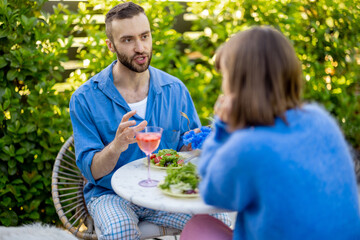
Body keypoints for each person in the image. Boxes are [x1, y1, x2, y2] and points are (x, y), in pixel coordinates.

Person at [69, 2, 230, 239]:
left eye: (145, 36)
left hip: (164, 193)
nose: (140, 47)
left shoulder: (175, 89)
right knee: (120, 230)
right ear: (110, 46)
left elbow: (189, 150)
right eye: (128, 40)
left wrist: (213, 138)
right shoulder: (85, 98)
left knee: (217, 221)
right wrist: (116, 146)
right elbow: (91, 171)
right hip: (110, 195)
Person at [181, 26, 360, 239]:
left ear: (237, 84)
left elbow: (212, 192)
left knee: (198, 227)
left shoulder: (247, 146)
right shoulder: (320, 120)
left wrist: (222, 127)